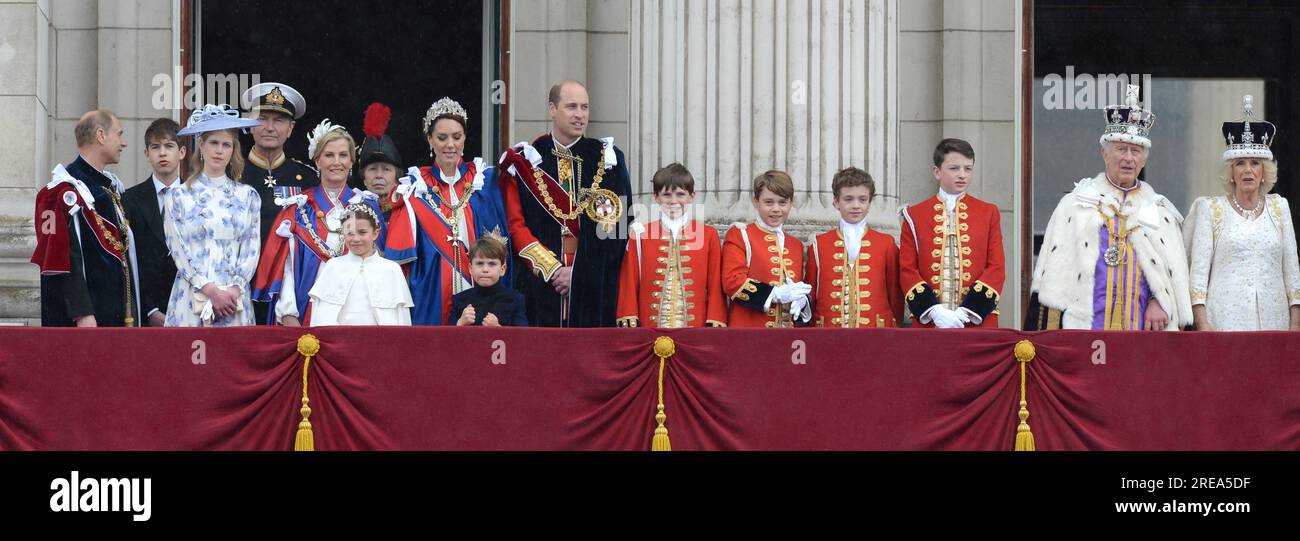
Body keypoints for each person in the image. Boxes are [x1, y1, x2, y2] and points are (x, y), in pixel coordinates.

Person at [1026, 84, 1191, 331]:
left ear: (1144, 159)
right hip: (1084, 330)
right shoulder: (1074, 205)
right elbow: (1052, 277)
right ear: (1104, 153)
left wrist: (1160, 300)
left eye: (1135, 151)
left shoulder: (1161, 211)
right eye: (1121, 149)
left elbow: (1172, 276)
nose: (1128, 158)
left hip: (1144, 335)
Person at [497, 80, 633, 327]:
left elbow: (618, 229)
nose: (580, 115)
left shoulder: (609, 159)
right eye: (571, 107)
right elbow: (515, 226)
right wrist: (553, 270)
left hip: (594, 287)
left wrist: (579, 274)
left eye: (585, 107)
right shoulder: (527, 161)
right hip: (541, 286)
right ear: (552, 109)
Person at [384, 97, 513, 325]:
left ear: (464, 138)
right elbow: (398, 264)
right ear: (430, 140)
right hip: (432, 289)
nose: (450, 145)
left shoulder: (485, 180)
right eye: (442, 138)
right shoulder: (415, 188)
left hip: (480, 285)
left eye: (457, 137)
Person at [253, 120, 387, 326]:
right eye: (329, 155)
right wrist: (289, 314)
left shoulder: (367, 206)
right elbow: (287, 268)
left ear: (352, 161)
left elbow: (380, 268)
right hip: (308, 312)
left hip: (359, 315)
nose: (337, 162)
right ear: (317, 160)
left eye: (343, 155)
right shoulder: (298, 209)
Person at [1184, 95, 1300, 331]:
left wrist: (1295, 323)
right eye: (1240, 163)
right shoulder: (1211, 209)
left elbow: (1292, 272)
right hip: (1223, 323)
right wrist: (1202, 323)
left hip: (1274, 322)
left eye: (1255, 163)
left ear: (1264, 171)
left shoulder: (1280, 208)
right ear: (1231, 171)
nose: (1248, 170)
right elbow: (1198, 276)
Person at [31, 109, 139, 327]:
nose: (123, 143)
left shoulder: (108, 188)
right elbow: (60, 259)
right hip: (88, 321)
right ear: (101, 135)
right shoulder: (61, 192)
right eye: (119, 134)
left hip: (118, 316)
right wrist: (82, 313)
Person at [163, 105, 263, 327]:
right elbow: (178, 249)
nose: (219, 150)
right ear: (201, 145)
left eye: (226, 145)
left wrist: (234, 289)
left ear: (233, 150)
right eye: (213, 143)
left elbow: (251, 249)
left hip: (233, 301)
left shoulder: (248, 196)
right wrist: (208, 288)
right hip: (191, 296)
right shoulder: (178, 195)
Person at [899, 138, 1006, 328]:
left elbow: (996, 267)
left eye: (968, 168)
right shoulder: (914, 215)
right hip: (931, 323)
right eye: (954, 168)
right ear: (937, 171)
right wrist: (933, 310)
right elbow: (907, 270)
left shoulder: (988, 212)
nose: (962, 175)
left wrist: (968, 311)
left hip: (977, 322)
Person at [240, 83, 318, 325]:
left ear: (291, 128)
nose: (270, 127)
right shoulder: (234, 174)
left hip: (290, 291)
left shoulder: (308, 178)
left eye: (279, 120)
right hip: (242, 287)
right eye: (262, 118)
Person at [616, 163, 727, 328]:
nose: (674, 201)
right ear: (656, 197)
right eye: (667, 195)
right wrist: (628, 316)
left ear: (692, 196)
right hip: (650, 329)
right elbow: (629, 283)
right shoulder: (639, 235)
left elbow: (715, 284)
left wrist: (715, 319)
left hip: (696, 329)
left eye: (680, 194)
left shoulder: (708, 235)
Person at [806, 167, 903, 327]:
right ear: (836, 202)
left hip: (875, 332)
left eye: (862, 199)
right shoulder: (818, 245)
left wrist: (893, 327)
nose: (856, 205)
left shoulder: (886, 243)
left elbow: (895, 295)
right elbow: (812, 293)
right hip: (828, 333)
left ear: (870, 202)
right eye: (848, 199)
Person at [721, 170, 812, 328]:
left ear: (791, 203)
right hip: (749, 334)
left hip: (787, 340)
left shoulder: (795, 245)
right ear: (756, 202)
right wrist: (774, 294)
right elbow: (732, 281)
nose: (776, 209)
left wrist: (803, 301)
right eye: (769, 202)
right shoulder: (740, 234)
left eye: (782, 202)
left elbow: (797, 287)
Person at [122, 118, 185, 327]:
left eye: (169, 146)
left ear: (182, 152)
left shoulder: (198, 197)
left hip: (190, 307)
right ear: (146, 154)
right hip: (145, 310)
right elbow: (126, 261)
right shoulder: (129, 200)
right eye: (155, 147)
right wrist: (149, 309)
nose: (163, 153)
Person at [307, 204, 413, 326]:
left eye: (362, 232)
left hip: (380, 342)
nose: (356, 239)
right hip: (339, 341)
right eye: (350, 233)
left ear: (375, 233)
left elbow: (403, 319)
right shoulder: (332, 267)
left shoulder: (391, 269)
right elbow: (318, 317)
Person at [451, 235, 528, 327]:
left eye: (492, 264)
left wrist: (498, 328)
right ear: (470, 268)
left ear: (502, 269)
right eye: (480, 263)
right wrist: (460, 323)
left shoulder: (515, 300)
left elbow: (522, 338)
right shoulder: (459, 300)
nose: (485, 269)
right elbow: (446, 338)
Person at [356, 102, 404, 220]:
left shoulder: (408, 212)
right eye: (372, 169)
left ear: (397, 178)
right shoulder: (353, 213)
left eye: (386, 169)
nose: (378, 175)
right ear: (364, 179)